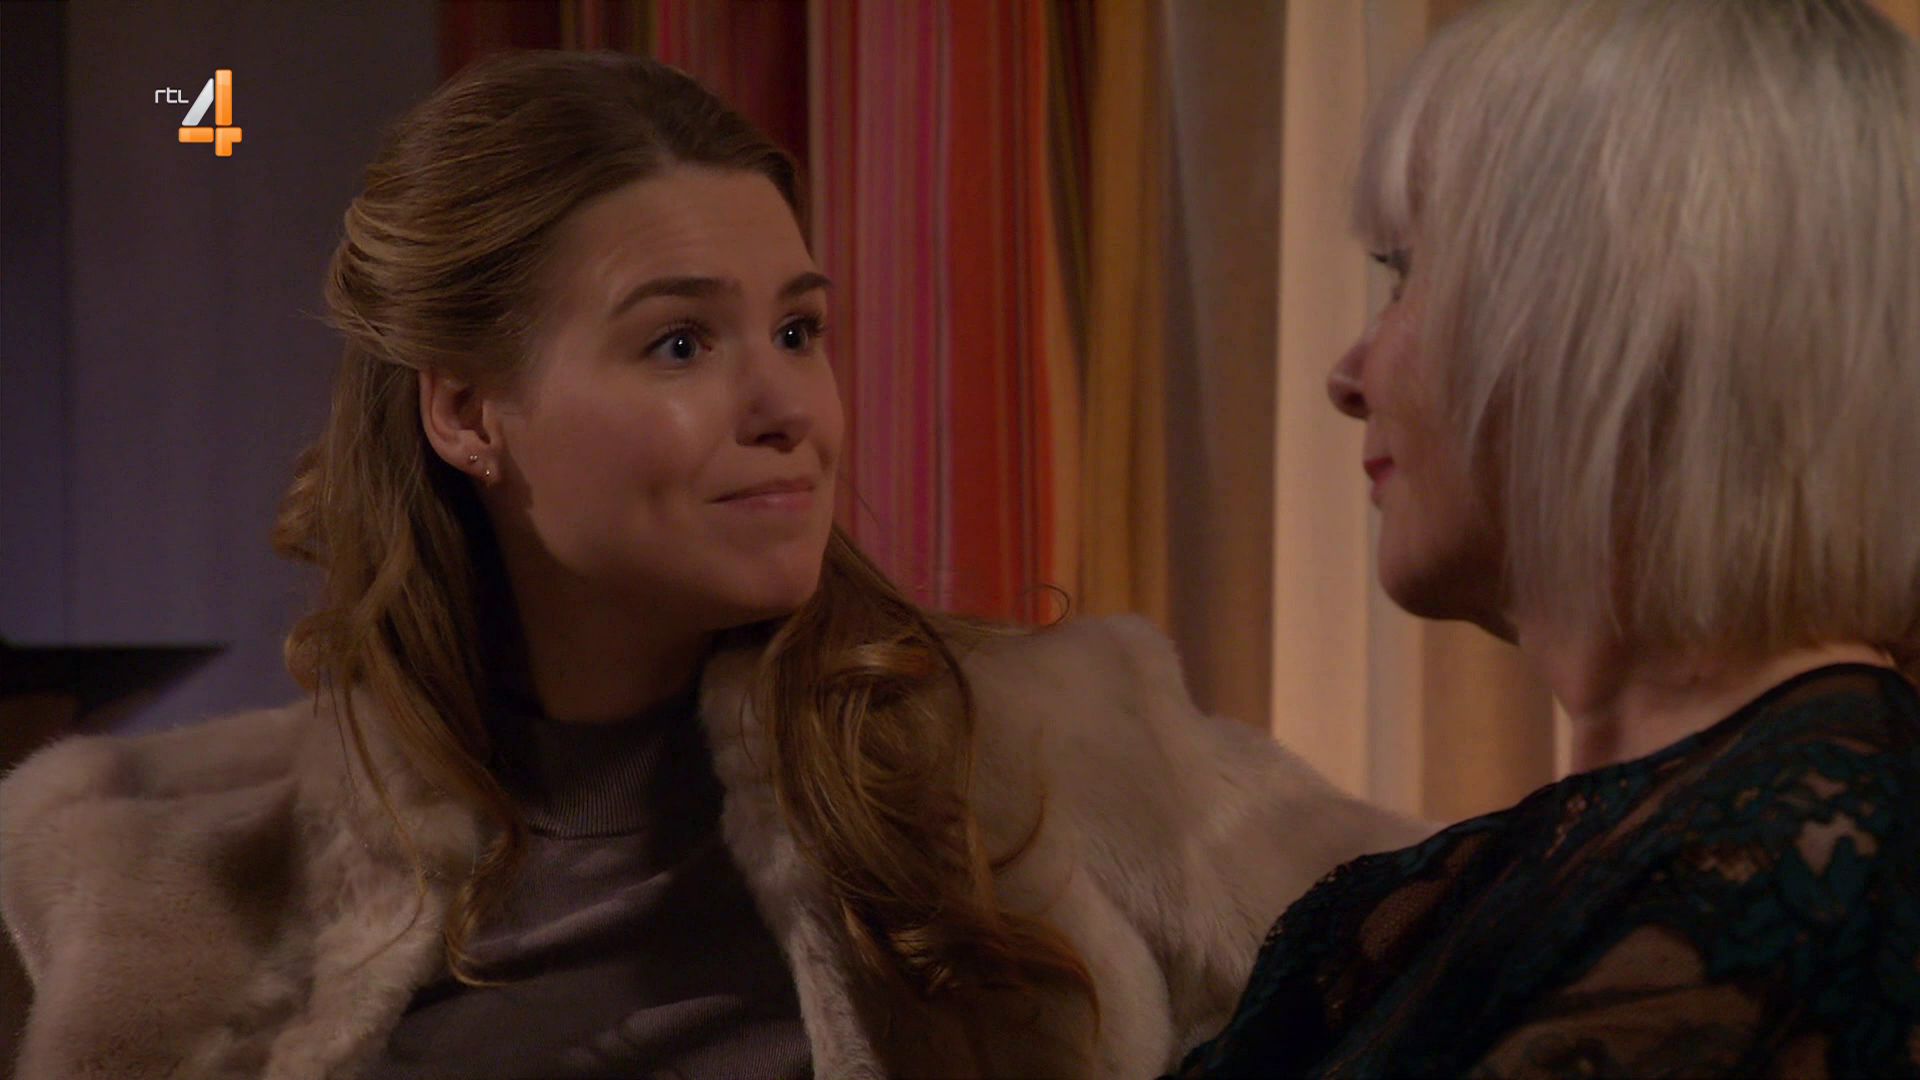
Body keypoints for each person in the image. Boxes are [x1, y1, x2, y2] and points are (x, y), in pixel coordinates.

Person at [0, 50, 1424, 1079]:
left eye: (799, 331)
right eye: (681, 343)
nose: (790, 406)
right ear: (467, 412)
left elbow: (1502, 963)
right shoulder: (139, 872)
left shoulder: (1055, 757)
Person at [1175, 1, 1920, 1076]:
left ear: (1620, 310)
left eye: (1405, 273)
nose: (1347, 377)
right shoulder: (1405, 916)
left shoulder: (1841, 883)